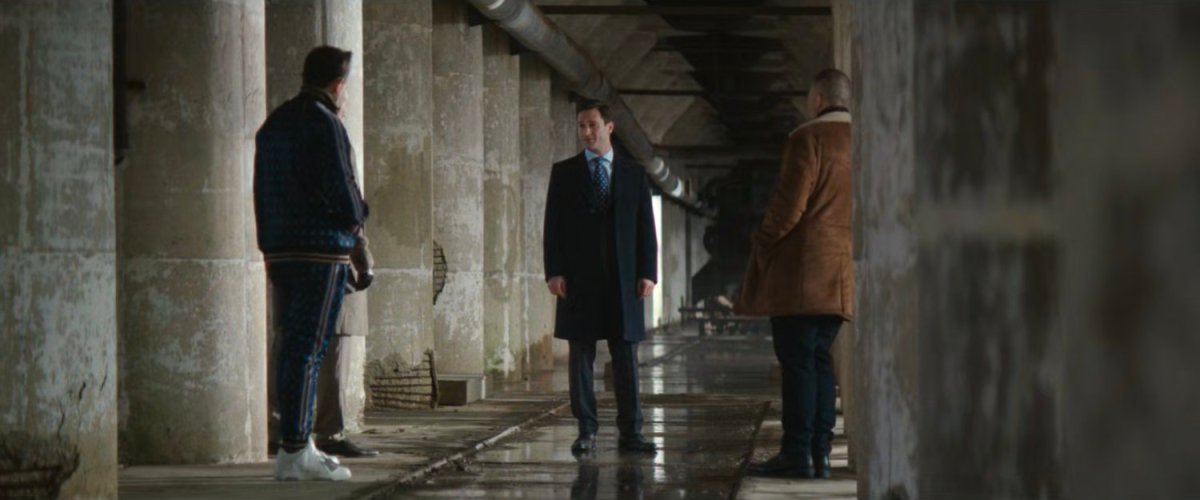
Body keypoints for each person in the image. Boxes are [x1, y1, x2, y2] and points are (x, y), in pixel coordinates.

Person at [254, 45, 369, 481]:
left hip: (280, 250)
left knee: (290, 344)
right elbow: (344, 192)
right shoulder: (327, 125)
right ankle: (296, 449)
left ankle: (297, 442)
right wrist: (359, 215)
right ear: (338, 84)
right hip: (321, 253)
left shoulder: (274, 124)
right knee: (311, 347)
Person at [735, 68, 854, 479]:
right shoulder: (864, 142)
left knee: (798, 364)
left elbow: (789, 208)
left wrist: (763, 239)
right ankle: (820, 453)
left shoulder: (809, 138)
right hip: (841, 276)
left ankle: (796, 453)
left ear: (817, 99)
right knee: (820, 362)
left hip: (802, 275)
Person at [543, 100, 659, 456]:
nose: (587, 132)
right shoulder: (564, 173)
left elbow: (645, 228)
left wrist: (648, 273)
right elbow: (553, 228)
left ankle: (632, 433)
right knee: (580, 358)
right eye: (582, 126)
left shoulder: (634, 174)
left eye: (593, 125)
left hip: (623, 281)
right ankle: (586, 430)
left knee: (625, 357)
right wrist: (554, 271)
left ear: (609, 127)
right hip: (579, 281)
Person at [267, 235, 379, 459]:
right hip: (330, 264)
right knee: (333, 355)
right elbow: (350, 214)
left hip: (286, 263)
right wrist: (364, 259)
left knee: (287, 350)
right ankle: (329, 434)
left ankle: (278, 432)